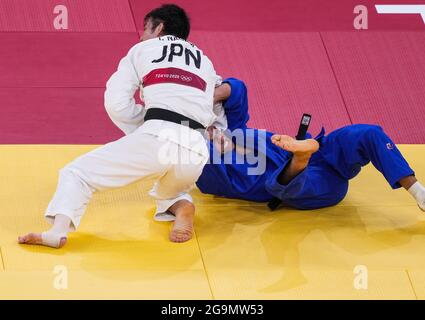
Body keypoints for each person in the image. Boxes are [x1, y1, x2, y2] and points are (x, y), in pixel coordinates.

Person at [18, 4, 222, 248]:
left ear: (159, 28)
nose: (141, 36)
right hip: (197, 151)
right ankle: (181, 205)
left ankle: (57, 231)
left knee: (77, 174)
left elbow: (117, 104)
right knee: (168, 190)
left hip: (158, 138)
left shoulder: (143, 49)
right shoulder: (205, 62)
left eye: (145, 29)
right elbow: (211, 110)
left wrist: (146, 125)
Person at [197, 78, 425, 212]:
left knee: (367, 133)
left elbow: (238, 89)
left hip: (318, 150)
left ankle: (418, 192)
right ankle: (301, 158)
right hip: (297, 179)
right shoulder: (204, 162)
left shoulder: (234, 130)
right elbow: (216, 181)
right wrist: (203, 142)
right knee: (286, 186)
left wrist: (214, 95)